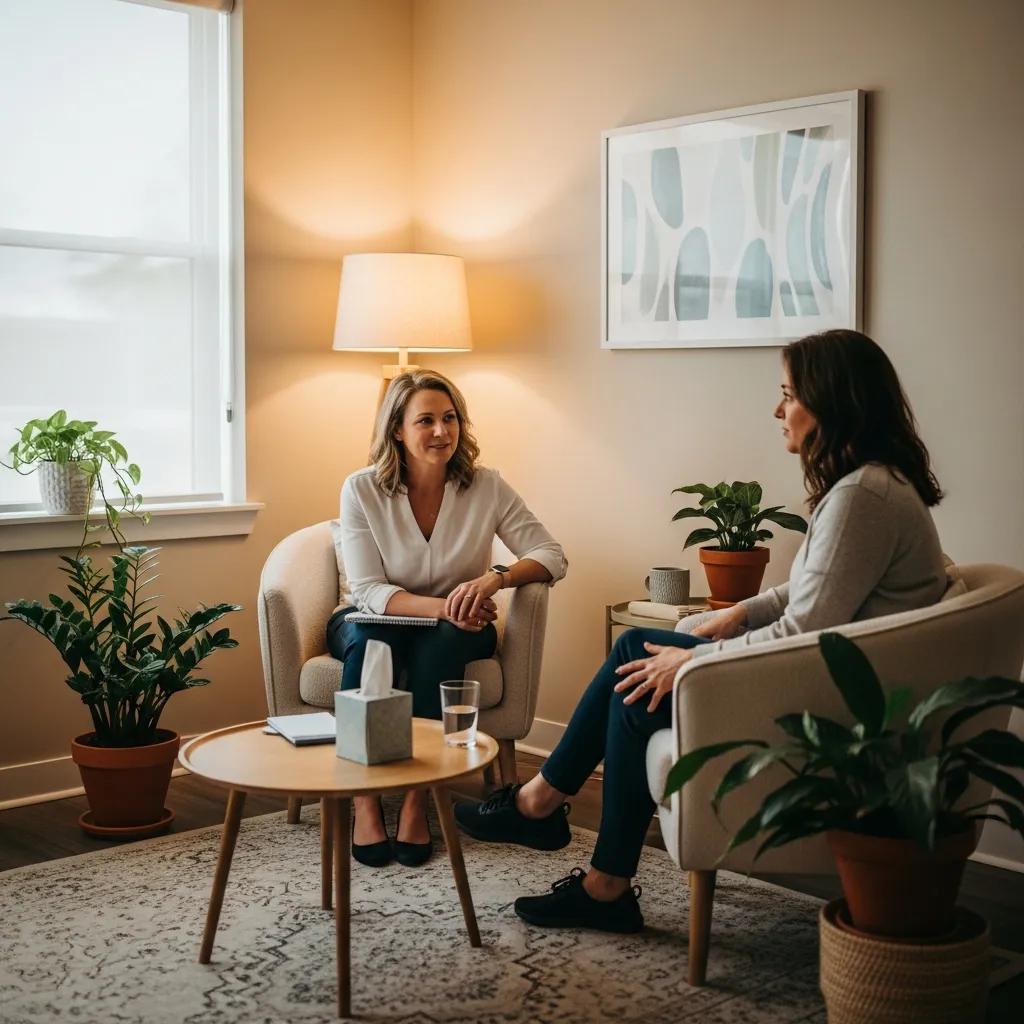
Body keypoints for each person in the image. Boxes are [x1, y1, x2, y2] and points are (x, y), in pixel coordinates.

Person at [455, 329, 947, 933]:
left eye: (789, 394)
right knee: (641, 662)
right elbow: (820, 591)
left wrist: (691, 662)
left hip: (837, 703)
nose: (777, 409)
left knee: (642, 658)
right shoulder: (872, 486)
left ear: (833, 403)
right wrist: (738, 613)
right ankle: (573, 846)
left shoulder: (861, 497)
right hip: (837, 678)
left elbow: (807, 629)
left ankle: (557, 824)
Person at [329, 369, 566, 868]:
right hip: (372, 619)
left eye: (450, 418)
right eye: (426, 420)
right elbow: (368, 592)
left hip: (456, 632)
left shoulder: (486, 486)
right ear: (397, 429)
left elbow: (551, 554)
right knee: (375, 644)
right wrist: (448, 606)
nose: (442, 432)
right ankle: (364, 800)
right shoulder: (362, 489)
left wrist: (495, 580)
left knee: (443, 643)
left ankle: (418, 799)